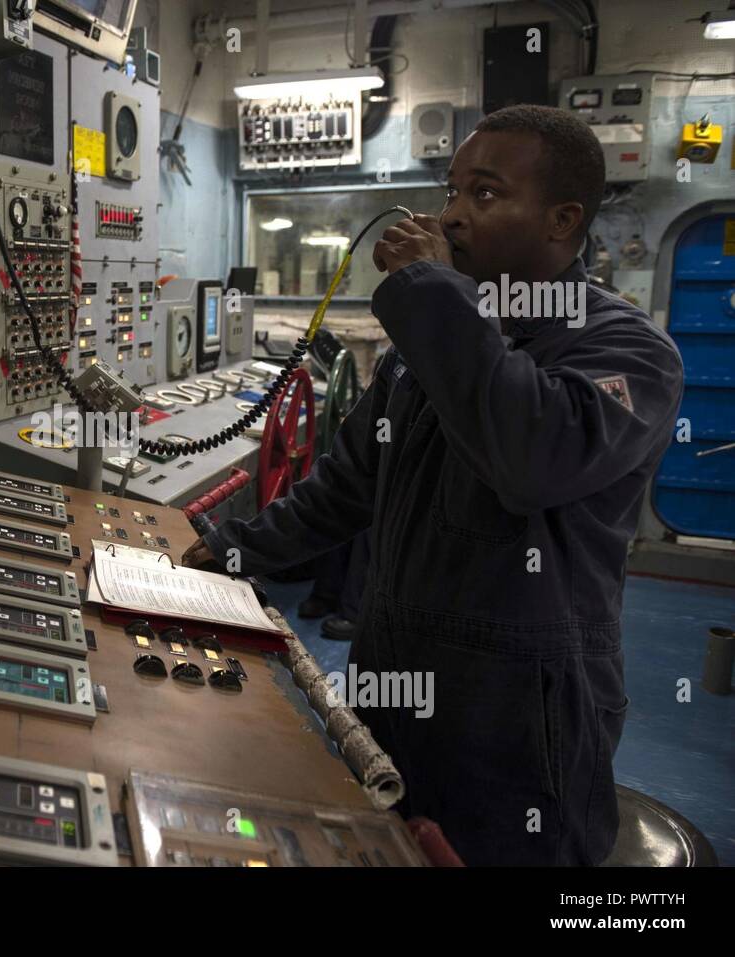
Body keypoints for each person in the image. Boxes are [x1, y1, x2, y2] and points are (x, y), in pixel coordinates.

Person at [183, 105, 684, 865]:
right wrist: (221, 555)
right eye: (452, 190)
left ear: (562, 219)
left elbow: (527, 455)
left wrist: (429, 292)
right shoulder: (425, 348)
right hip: (392, 688)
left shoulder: (629, 352)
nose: (451, 215)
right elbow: (343, 488)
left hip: (519, 728)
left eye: (484, 194)